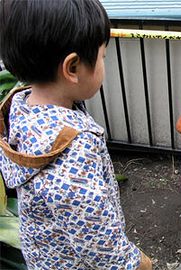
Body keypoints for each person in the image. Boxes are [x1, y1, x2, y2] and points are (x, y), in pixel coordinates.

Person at [0, 0, 152, 269]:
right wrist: (135, 263)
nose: (104, 63)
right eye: (102, 56)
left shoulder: (20, 109)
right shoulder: (72, 157)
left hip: (46, 254)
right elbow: (97, 241)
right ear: (72, 68)